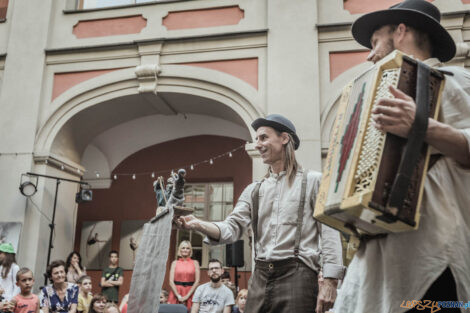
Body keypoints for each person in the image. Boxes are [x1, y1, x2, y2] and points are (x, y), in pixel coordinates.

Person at [332, 1, 470, 313]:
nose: (370, 54)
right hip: (376, 265)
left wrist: (422, 125)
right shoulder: (373, 95)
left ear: (401, 31)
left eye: (375, 42)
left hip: (432, 261)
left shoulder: (455, 81)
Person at [175, 114, 345, 313]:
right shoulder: (254, 190)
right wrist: (196, 224)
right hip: (260, 277)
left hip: (299, 277)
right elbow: (231, 228)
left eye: (263, 137)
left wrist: (331, 282)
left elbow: (330, 232)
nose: (257, 144)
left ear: (284, 138)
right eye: (257, 139)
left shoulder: (314, 181)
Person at [167, 241, 200, 310]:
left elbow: (197, 281)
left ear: (190, 250)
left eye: (187, 248)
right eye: (183, 248)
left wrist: (187, 296)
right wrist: (178, 296)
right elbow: (170, 281)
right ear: (180, 250)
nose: (185, 250)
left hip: (190, 292)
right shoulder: (174, 263)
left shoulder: (195, 263)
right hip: (176, 292)